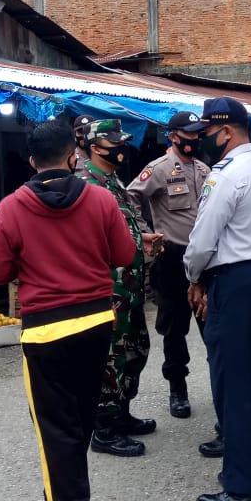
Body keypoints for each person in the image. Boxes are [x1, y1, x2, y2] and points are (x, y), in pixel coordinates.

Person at [0, 122, 136, 501]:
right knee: (80, 419)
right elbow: (125, 253)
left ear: (32, 162)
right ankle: (75, 499)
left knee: (57, 432)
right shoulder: (101, 200)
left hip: (46, 333)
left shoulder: (10, 208)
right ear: (73, 156)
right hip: (96, 324)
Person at [183, 97, 251, 501]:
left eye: (207, 133)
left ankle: (243, 488)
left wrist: (192, 276)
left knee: (233, 384)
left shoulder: (225, 175)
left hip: (234, 282)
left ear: (226, 132)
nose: (203, 140)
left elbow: (203, 239)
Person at [77, 119, 163, 457]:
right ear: (95, 147)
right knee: (111, 357)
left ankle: (122, 413)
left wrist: (141, 240)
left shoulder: (111, 180)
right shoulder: (86, 185)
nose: (121, 148)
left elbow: (119, 228)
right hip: (109, 290)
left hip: (130, 287)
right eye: (114, 143)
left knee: (135, 351)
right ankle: (104, 427)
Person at [126, 111, 211, 419]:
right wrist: (143, 230)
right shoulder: (158, 169)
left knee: (211, 323)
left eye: (197, 133)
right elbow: (130, 197)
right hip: (172, 257)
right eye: (189, 134)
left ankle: (222, 387)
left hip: (204, 257)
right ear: (173, 136)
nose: (195, 139)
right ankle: (177, 388)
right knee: (174, 328)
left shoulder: (203, 169)